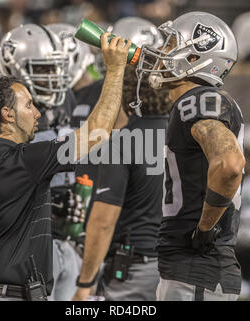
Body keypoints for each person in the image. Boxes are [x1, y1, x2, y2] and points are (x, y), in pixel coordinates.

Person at [0, 33, 132, 301]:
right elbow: (97, 131)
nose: (37, 113)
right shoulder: (28, 159)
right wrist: (115, 69)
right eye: (29, 106)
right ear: (7, 115)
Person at [135, 11, 245, 300]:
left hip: (197, 270)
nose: (161, 52)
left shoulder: (198, 100)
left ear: (195, 58)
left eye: (170, 44)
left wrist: (205, 228)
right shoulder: (193, 102)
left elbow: (230, 164)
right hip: (193, 270)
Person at [72, 63, 171, 301]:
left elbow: (104, 221)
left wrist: (85, 283)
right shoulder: (186, 135)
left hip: (135, 268)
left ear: (126, 93)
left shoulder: (123, 142)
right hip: (179, 268)